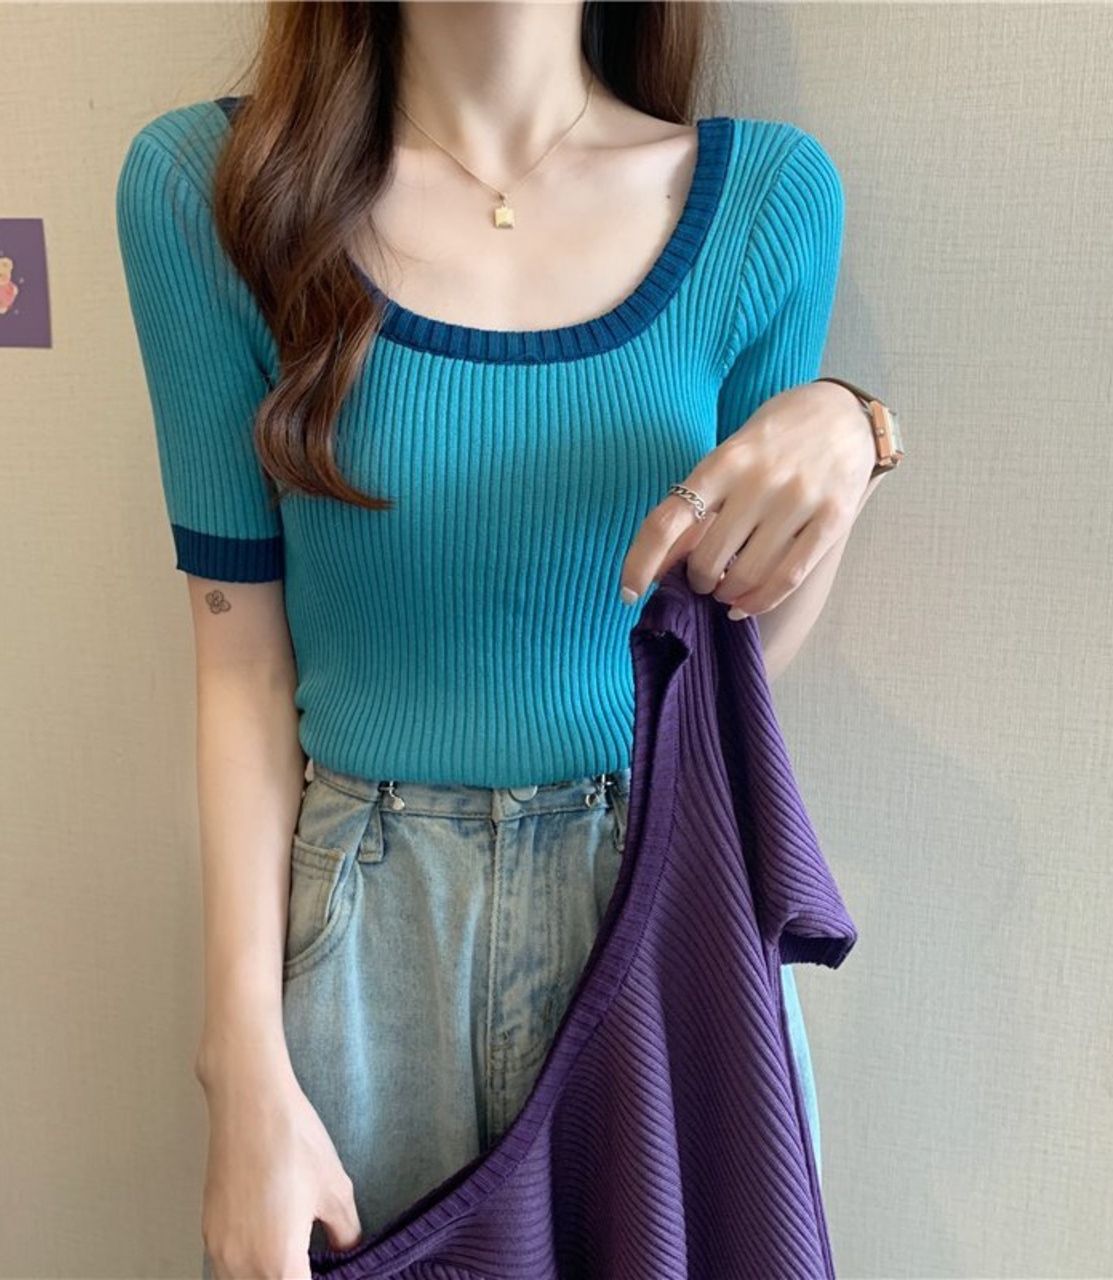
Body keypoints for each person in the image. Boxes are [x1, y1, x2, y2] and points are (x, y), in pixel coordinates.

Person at [116, 3, 889, 1276]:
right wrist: (238, 1054)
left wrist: (847, 434)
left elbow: (729, 662)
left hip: (656, 897)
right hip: (368, 935)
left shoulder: (763, 201)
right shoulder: (209, 194)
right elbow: (240, 663)